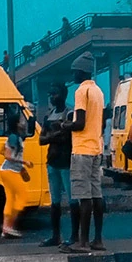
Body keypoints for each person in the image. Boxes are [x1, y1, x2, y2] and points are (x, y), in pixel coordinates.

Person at [60, 51, 105, 253]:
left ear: (81, 72)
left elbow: (79, 123)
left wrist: (65, 125)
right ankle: (98, 240)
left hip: (82, 150)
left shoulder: (81, 92)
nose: (72, 76)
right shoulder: (99, 92)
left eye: (74, 72)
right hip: (96, 148)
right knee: (97, 195)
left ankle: (83, 242)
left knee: (83, 196)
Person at [38, 83, 78, 247]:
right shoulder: (50, 115)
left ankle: (74, 236)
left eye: (54, 94)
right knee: (55, 202)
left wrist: (51, 136)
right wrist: (58, 133)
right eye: (50, 94)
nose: (51, 97)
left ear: (62, 94)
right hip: (53, 162)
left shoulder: (70, 113)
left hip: (66, 162)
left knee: (72, 200)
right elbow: (41, 140)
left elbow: (65, 138)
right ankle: (56, 236)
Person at [0, 109, 34, 238]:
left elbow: (1, 151)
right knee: (23, 197)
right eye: (21, 121)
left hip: (6, 170)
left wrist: (20, 165)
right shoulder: (15, 137)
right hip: (10, 171)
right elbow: (7, 155)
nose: (24, 123)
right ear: (16, 124)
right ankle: (8, 227)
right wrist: (24, 162)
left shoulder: (13, 137)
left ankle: (5, 229)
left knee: (10, 199)